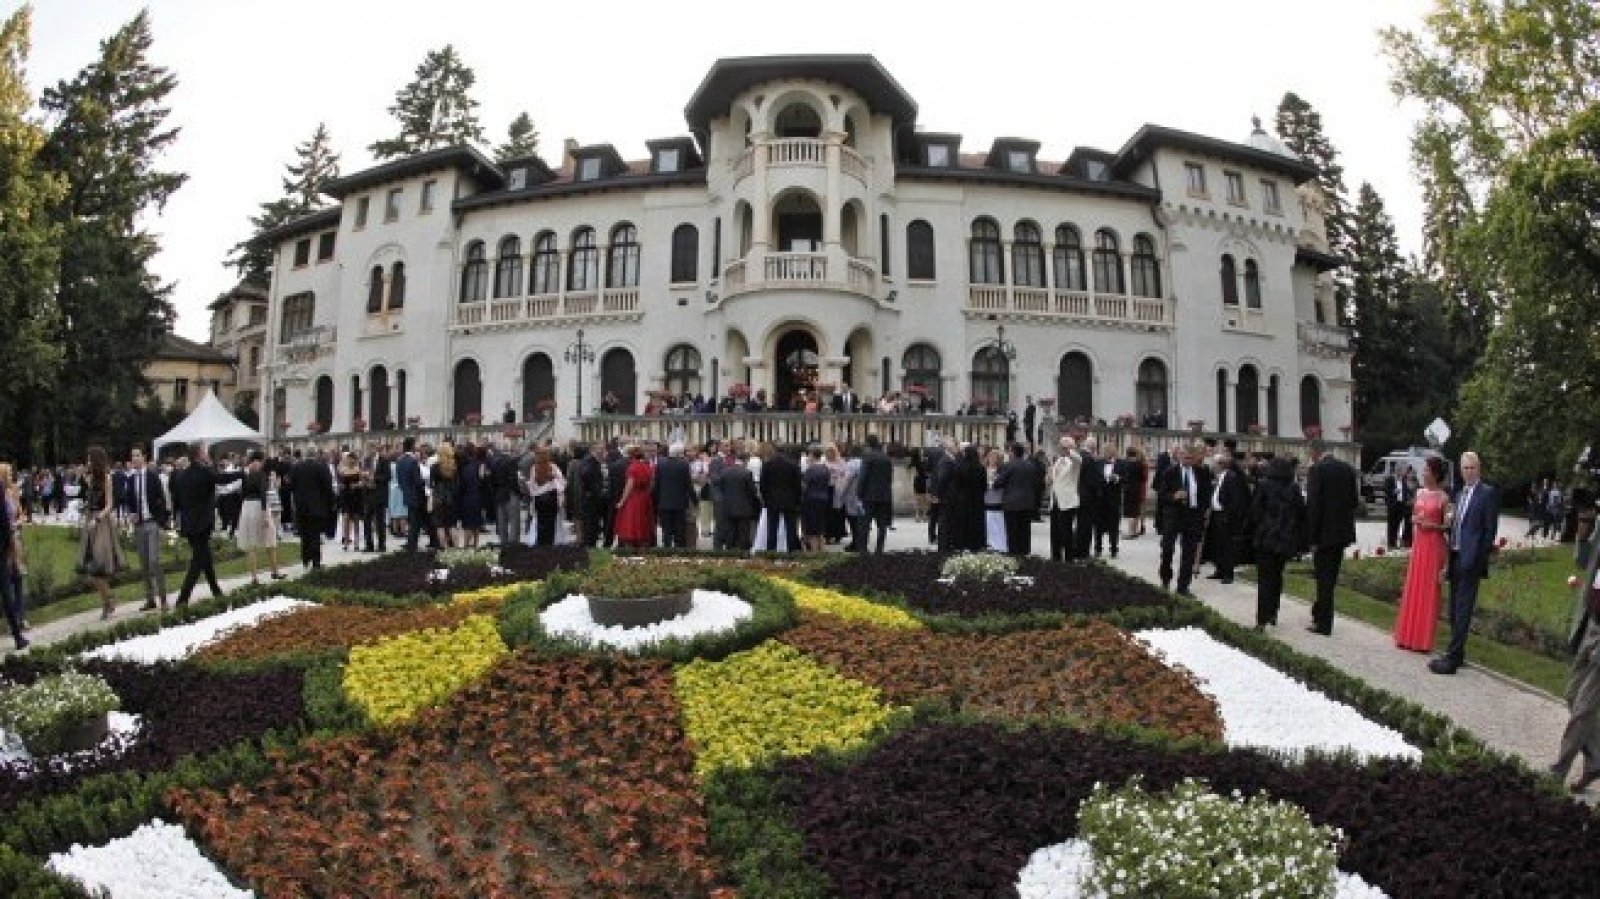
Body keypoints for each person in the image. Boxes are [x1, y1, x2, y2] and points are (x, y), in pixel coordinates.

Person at [1430, 451, 1500, 674]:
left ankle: (1452, 658)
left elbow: (1490, 530)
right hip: (1455, 555)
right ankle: (1457, 653)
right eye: (1465, 468)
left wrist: (1478, 557)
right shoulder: (1459, 494)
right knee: (1454, 608)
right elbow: (1457, 525)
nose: (1469, 472)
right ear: (1460, 470)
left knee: (1463, 609)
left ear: (1479, 469)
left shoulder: (1487, 493)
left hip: (1470, 560)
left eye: (1472, 468)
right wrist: (1448, 523)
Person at [168, 442, 242, 606]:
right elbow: (222, 479)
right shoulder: (204, 471)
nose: (207, 454)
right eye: (205, 451)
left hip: (189, 523)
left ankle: (216, 592)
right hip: (202, 523)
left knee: (205, 558)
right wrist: (242, 473)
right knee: (198, 561)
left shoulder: (181, 475)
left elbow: (176, 500)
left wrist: (176, 518)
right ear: (200, 454)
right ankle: (183, 599)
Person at [1394, 455, 1451, 653]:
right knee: (1414, 586)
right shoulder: (1419, 493)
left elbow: (1448, 525)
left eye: (1427, 470)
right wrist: (1414, 519)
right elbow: (1413, 515)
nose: (1423, 473)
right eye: (1424, 470)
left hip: (1434, 546)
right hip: (1419, 545)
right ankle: (1406, 635)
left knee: (1428, 590)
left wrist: (1433, 525)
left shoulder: (1444, 498)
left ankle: (1422, 640)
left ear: (1435, 474)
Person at [1303, 439, 1360, 635]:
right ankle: (1319, 613)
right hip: (1341, 533)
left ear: (1315, 453)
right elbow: (1354, 501)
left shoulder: (1317, 470)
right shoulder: (1347, 469)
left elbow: (1313, 506)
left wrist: (1311, 538)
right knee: (1331, 577)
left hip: (1323, 535)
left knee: (1323, 579)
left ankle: (1324, 623)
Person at [1248, 457, 1305, 630]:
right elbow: (1301, 513)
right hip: (1284, 539)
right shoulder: (1294, 488)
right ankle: (1273, 612)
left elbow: (1255, 512)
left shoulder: (1264, 485)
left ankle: (1261, 619)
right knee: (1277, 576)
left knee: (1265, 579)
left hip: (1265, 538)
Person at [76, 446, 124, 619]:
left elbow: (110, 504)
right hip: (90, 521)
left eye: (90, 459)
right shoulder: (90, 479)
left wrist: (97, 518)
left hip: (101, 522)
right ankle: (108, 600)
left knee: (99, 564)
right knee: (92, 568)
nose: (87, 462)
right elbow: (89, 499)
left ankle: (108, 602)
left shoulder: (106, 478)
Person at [1156, 444, 1210, 596]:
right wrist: (1174, 496)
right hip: (1174, 515)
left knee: (1189, 551)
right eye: (1185, 457)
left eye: (1191, 458)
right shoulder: (1170, 472)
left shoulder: (1201, 472)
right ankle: (1165, 578)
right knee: (1167, 549)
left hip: (1192, 516)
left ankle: (1183, 586)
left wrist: (1203, 512)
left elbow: (1206, 494)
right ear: (1179, 456)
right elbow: (1162, 494)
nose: (1188, 460)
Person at [123, 447, 171, 612]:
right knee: (143, 563)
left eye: (137, 455)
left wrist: (162, 522)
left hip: (152, 522)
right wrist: (131, 513)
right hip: (139, 525)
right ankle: (150, 599)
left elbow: (161, 498)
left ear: (143, 457)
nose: (135, 458)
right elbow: (128, 500)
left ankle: (163, 599)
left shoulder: (152, 476)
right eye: (132, 456)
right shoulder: (130, 479)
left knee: (154, 561)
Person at [235, 451, 286, 585]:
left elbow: (241, 494)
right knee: (270, 539)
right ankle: (275, 571)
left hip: (246, 507)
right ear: (259, 461)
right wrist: (265, 515)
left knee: (251, 544)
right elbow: (263, 495)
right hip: (259, 506)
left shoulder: (246, 475)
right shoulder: (262, 475)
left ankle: (254, 577)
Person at [1205, 452, 1250, 583]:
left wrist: (1228, 515)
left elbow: (1235, 500)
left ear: (1222, 464)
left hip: (1225, 516)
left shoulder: (1231, 477)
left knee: (1227, 546)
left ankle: (1228, 573)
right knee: (1217, 544)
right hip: (1216, 514)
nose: (1213, 466)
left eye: (1215, 463)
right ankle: (1219, 570)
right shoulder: (1219, 477)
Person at [288, 447, 335, 570]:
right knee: (315, 534)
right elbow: (328, 487)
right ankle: (316, 562)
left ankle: (305, 559)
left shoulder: (296, 467)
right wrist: (331, 503)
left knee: (304, 534)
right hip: (317, 506)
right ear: (315, 455)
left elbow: (291, 486)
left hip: (301, 506)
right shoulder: (322, 467)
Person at [995, 441, 1042, 557]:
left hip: (1011, 503)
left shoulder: (1008, 465)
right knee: (1025, 529)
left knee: (1012, 530)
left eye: (1009, 451)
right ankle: (1025, 552)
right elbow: (1037, 483)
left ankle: (1013, 553)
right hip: (1027, 502)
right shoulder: (1031, 466)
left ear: (1013, 452)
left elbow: (998, 483)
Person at [759, 443, 803, 553]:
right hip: (790, 500)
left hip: (772, 500)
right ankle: (792, 551)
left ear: (774, 451)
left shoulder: (767, 465)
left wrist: (765, 499)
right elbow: (798, 485)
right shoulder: (793, 465)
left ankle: (771, 551)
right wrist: (797, 500)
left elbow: (763, 485)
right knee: (791, 528)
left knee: (772, 528)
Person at [652, 443, 696, 549]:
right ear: (679, 453)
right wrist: (694, 499)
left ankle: (667, 548)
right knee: (679, 529)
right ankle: (679, 548)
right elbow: (688, 484)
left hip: (664, 502)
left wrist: (655, 500)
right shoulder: (684, 465)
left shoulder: (660, 465)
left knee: (666, 529)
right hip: (679, 503)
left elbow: (657, 484)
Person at [857, 434, 895, 555]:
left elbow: (863, 476)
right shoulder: (886, 458)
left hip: (868, 496)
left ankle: (863, 549)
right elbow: (889, 478)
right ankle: (879, 549)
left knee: (864, 523)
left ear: (868, 444)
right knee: (882, 525)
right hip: (884, 495)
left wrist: (859, 493)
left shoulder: (867, 456)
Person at [1047, 437, 1083, 562]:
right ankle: (1055, 557)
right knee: (1054, 531)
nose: (1061, 448)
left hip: (1067, 501)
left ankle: (1069, 559)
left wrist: (1069, 451)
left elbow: (1078, 460)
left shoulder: (1074, 462)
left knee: (1066, 531)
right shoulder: (1058, 460)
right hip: (1055, 500)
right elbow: (1054, 479)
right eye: (1061, 446)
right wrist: (1049, 478)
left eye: (1064, 446)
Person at [614, 445, 656, 549]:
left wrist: (621, 502)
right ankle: (643, 550)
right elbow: (651, 485)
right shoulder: (647, 467)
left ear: (631, 456)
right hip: (645, 498)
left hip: (634, 499)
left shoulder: (632, 467)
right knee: (643, 525)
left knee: (631, 526)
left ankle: (630, 551)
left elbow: (629, 486)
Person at [720, 452, 762, 551]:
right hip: (744, 508)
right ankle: (743, 552)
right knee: (744, 532)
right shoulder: (747, 473)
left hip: (729, 507)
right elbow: (752, 491)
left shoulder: (725, 472)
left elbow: (722, 488)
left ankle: (729, 551)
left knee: (730, 532)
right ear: (746, 461)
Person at [527, 447, 566, 545]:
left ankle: (541, 544)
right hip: (551, 497)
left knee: (540, 524)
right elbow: (561, 483)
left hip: (539, 499)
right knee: (551, 524)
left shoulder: (534, 468)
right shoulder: (553, 467)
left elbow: (532, 486)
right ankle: (549, 544)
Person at [1093, 445, 1125, 559]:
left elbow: (1126, 478)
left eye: (1111, 451)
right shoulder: (1098, 463)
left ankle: (1114, 549)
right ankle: (1098, 548)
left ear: (1115, 452)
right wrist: (1103, 480)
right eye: (1107, 451)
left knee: (1114, 526)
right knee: (1098, 526)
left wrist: (1117, 478)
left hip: (1114, 499)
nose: (1109, 453)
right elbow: (1094, 478)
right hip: (1100, 499)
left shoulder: (1121, 463)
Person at [801, 447, 833, 553]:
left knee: (812, 528)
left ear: (812, 455)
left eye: (809, 455)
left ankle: (814, 551)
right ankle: (822, 549)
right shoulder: (825, 468)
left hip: (811, 499)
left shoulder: (810, 470)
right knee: (820, 526)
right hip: (824, 498)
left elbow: (804, 486)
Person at [430, 442, 460, 548]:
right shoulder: (454, 467)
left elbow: (431, 484)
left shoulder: (434, 467)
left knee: (440, 526)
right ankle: (456, 549)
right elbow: (457, 485)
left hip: (438, 499)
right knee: (452, 526)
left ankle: (444, 549)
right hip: (451, 500)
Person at [1385, 464, 1414, 550]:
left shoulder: (1403, 481)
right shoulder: (1390, 479)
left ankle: (1395, 542)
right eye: (1399, 471)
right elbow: (1386, 490)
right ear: (1396, 471)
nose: (1401, 472)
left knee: (1398, 524)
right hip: (1392, 505)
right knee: (1391, 525)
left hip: (1401, 505)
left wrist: (1408, 499)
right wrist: (1394, 491)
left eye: (1401, 471)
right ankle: (1390, 543)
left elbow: (1406, 491)